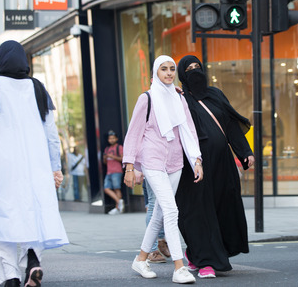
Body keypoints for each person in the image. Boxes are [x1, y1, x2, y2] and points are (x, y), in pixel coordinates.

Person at [0, 40, 68, 287]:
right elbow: (51, 133)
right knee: (32, 212)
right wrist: (56, 167)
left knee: (1, 216)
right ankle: (33, 259)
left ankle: (11, 276)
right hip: (35, 164)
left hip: (2, 163)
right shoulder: (37, 87)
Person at [123, 55, 203, 284]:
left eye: (171, 69)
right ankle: (180, 267)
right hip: (153, 160)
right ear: (155, 73)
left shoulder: (179, 99)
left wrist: (196, 160)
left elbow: (188, 130)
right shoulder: (146, 99)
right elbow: (134, 133)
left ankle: (140, 259)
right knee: (171, 210)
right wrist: (130, 166)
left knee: (159, 213)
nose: (168, 73)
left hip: (175, 162)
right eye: (163, 69)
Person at [175, 55, 254, 278]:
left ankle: (202, 253)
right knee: (199, 213)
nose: (194, 72)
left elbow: (229, 124)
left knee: (224, 206)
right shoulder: (180, 99)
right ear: (182, 74)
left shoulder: (215, 94)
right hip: (193, 167)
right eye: (189, 69)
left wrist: (245, 152)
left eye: (197, 67)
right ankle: (207, 261)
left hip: (223, 164)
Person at [103, 130, 125, 214]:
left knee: (117, 189)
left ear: (116, 139)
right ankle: (119, 202)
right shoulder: (107, 149)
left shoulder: (119, 147)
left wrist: (113, 156)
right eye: (110, 138)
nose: (111, 140)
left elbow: (123, 159)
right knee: (106, 188)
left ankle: (118, 208)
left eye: (113, 138)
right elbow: (105, 162)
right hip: (109, 171)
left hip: (117, 171)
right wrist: (105, 158)